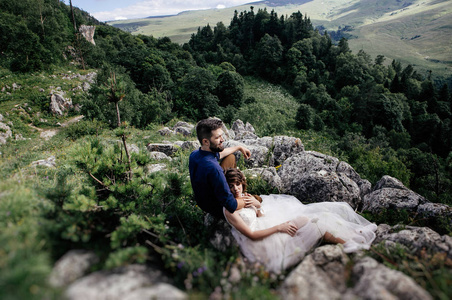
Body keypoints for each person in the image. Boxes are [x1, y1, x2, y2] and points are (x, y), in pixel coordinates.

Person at [223, 168, 377, 273]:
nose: (236, 189)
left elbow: (260, 216)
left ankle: (354, 233)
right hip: (260, 243)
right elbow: (251, 234)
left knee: (305, 218)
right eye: (231, 186)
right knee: (317, 224)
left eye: (238, 184)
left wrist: (257, 206)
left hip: (266, 226)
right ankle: (349, 242)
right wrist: (279, 227)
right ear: (225, 187)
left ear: (242, 183)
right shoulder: (229, 209)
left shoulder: (245, 197)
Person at [189, 118, 259, 219]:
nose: (222, 139)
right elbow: (231, 205)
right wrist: (247, 200)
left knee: (230, 157)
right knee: (256, 199)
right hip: (217, 207)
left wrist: (238, 147)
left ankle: (233, 187)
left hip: (203, 199)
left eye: (222, 135)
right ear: (206, 141)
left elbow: (219, 154)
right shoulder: (214, 168)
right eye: (218, 137)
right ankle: (246, 195)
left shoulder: (195, 154)